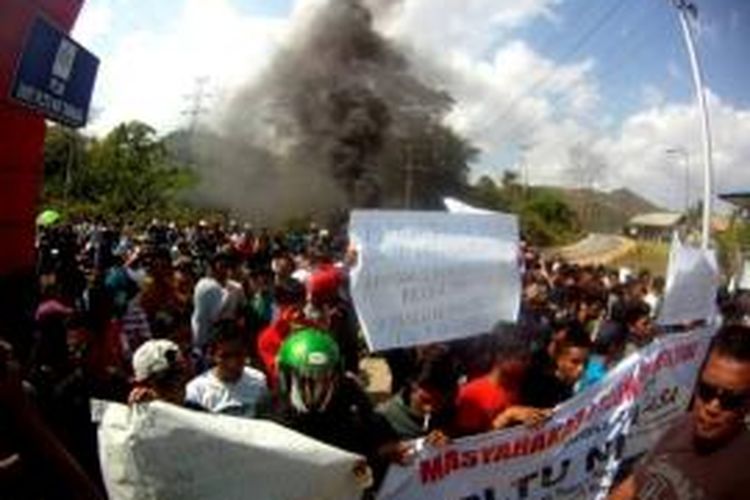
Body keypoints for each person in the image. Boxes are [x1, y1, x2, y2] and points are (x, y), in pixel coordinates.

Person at [610, 325, 750, 500]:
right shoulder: (683, 424)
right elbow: (632, 485)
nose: (712, 407)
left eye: (730, 400)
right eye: (707, 390)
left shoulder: (744, 470)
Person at [264, 329, 398, 483]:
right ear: (286, 377)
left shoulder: (352, 399)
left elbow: (376, 439)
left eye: (324, 378)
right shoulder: (271, 409)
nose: (317, 388)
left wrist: (383, 453)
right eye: (307, 380)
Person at [454, 334, 550, 436]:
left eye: (528, 357)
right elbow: (471, 445)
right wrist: (507, 417)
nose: (528, 363)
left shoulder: (533, 385)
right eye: (522, 358)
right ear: (500, 356)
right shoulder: (471, 394)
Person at [185, 322, 269, 418]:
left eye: (238, 354)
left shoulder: (259, 380)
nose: (233, 363)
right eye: (225, 356)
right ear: (212, 355)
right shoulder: (197, 390)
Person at [377, 349, 458, 440]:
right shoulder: (384, 418)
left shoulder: (451, 410)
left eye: (439, 402)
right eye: (425, 400)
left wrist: (449, 435)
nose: (430, 408)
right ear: (412, 386)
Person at [522, 322, 592, 408]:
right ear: (558, 359)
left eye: (585, 363)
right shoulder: (540, 388)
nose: (581, 369)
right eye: (574, 362)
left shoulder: (571, 387)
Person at [128, 339, 190, 406]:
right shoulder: (140, 409)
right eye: (167, 377)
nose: (177, 383)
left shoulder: (196, 410)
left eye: (180, 372)